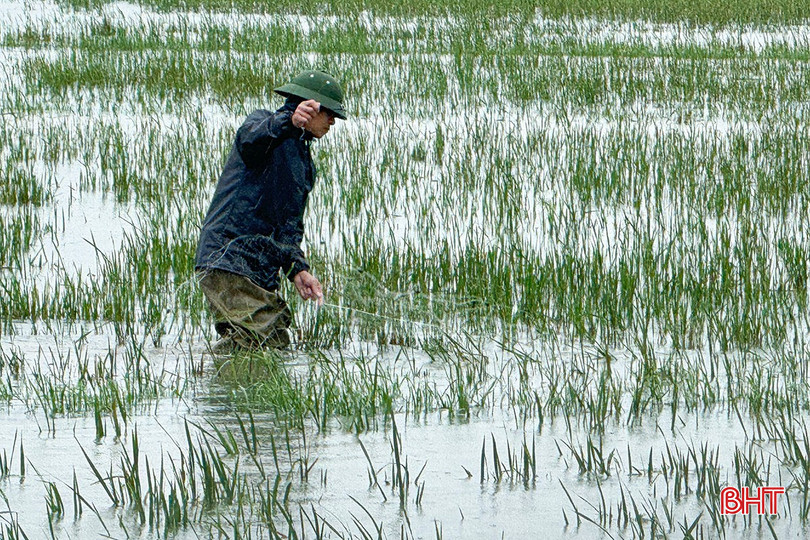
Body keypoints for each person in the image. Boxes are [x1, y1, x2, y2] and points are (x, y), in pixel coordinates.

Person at [195, 70, 347, 351]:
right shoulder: (263, 125)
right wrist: (287, 121)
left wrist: (296, 269)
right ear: (309, 106)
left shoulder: (301, 157)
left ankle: (217, 389)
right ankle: (213, 388)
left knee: (266, 338)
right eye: (329, 113)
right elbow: (250, 139)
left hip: (257, 267)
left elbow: (288, 224)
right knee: (264, 342)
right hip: (227, 258)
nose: (333, 121)